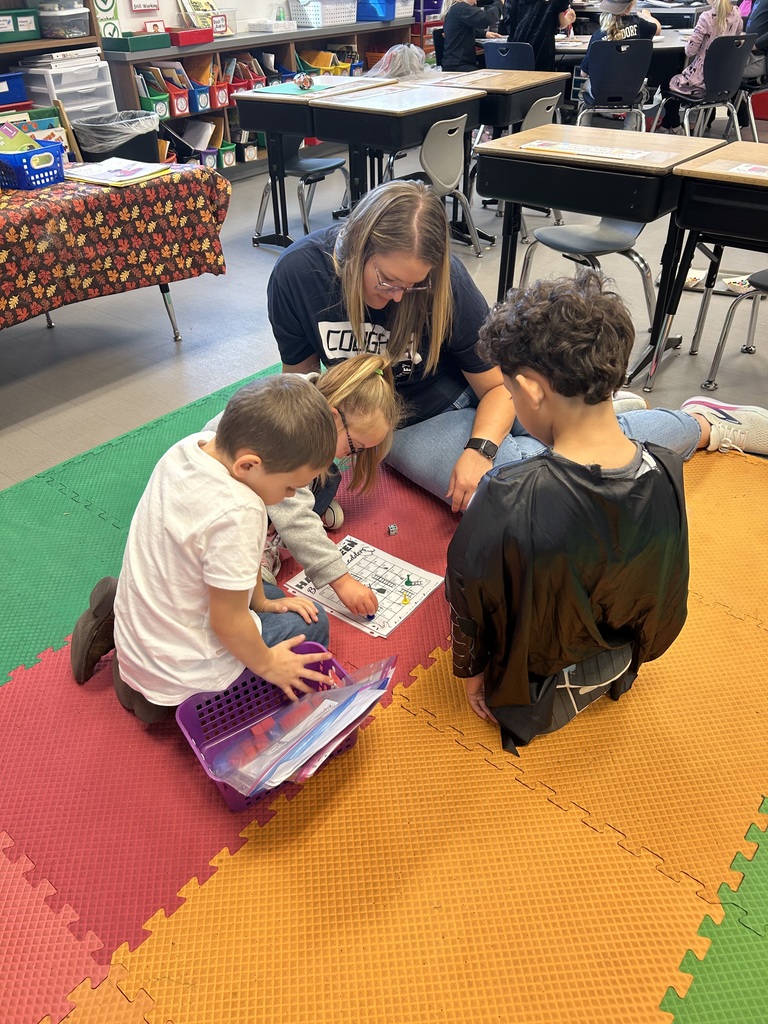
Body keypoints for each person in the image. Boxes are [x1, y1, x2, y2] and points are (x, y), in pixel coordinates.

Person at [445, 272, 768, 753]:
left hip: (535, 681)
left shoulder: (507, 493)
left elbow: (467, 597)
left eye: (510, 395)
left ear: (531, 389)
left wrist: (471, 674)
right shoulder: (663, 467)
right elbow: (665, 591)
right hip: (621, 657)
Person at [69, 376, 338, 725]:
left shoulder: (189, 448)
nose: (290, 497)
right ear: (248, 465)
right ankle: (164, 705)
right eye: (290, 486)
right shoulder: (241, 511)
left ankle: (128, 639)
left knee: (259, 592)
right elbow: (227, 621)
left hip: (143, 638)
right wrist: (270, 665)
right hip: (178, 678)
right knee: (313, 625)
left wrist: (260, 602)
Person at [268, 179, 541, 515]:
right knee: (508, 498)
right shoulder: (297, 273)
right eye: (387, 281)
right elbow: (300, 387)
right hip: (411, 421)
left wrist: (480, 449)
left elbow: (499, 387)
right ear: (355, 247)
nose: (397, 296)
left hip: (473, 391)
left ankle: (601, 428)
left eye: (413, 286)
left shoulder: (446, 279)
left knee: (567, 429)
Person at [207, 355, 402, 618]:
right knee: (298, 508)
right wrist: (342, 581)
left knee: (328, 475)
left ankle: (287, 522)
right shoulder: (292, 429)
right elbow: (295, 516)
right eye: (355, 447)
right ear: (334, 418)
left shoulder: (310, 392)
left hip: (257, 481)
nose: (350, 456)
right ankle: (268, 542)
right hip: (226, 497)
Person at [656, 0, 743, 131]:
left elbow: (690, 51)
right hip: (723, 80)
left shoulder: (707, 17)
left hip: (700, 82)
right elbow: (737, 36)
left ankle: (673, 124)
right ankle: (669, 124)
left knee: (667, 78)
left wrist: (694, 39)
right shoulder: (736, 12)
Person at [579, 0, 660, 80]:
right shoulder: (639, 24)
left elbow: (584, 73)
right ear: (632, 4)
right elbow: (657, 28)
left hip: (601, 91)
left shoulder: (597, 36)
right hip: (634, 87)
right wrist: (646, 16)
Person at [505, 0, 576, 72]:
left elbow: (509, 22)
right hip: (542, 50)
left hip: (515, 50)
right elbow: (561, 23)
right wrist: (569, 18)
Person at [440, 0, 504, 72]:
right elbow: (485, 19)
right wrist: (499, 3)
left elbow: (462, 28)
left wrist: (484, 34)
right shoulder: (461, 8)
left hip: (453, 63)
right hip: (459, 65)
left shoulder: (454, 8)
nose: (475, 2)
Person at [742, 0, 768, 79]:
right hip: (749, 50)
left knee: (724, 69)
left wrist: (756, 44)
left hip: (760, 56)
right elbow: (752, 20)